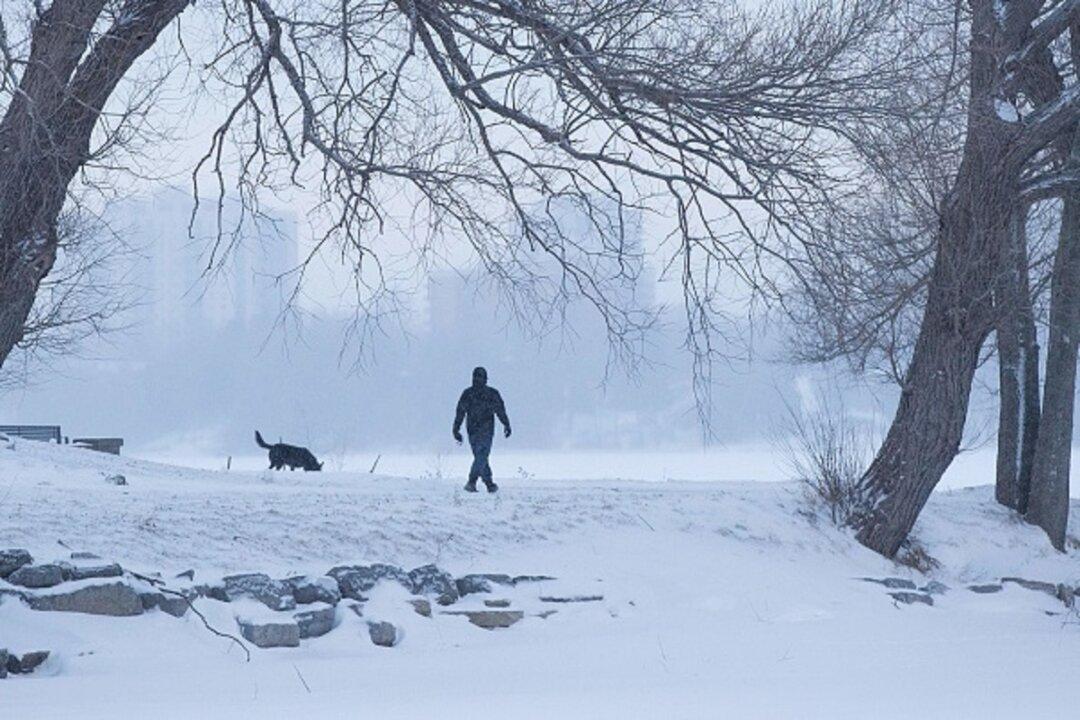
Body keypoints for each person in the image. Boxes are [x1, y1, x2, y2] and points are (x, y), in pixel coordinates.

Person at [453, 366, 511, 492]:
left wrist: (506, 424)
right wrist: (456, 429)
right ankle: (473, 482)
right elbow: (460, 412)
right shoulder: (469, 394)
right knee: (481, 455)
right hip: (476, 429)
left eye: (480, 377)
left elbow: (500, 411)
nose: (477, 379)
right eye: (476, 376)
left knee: (481, 455)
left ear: (485, 379)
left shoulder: (490, 394)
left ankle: (488, 484)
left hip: (485, 429)